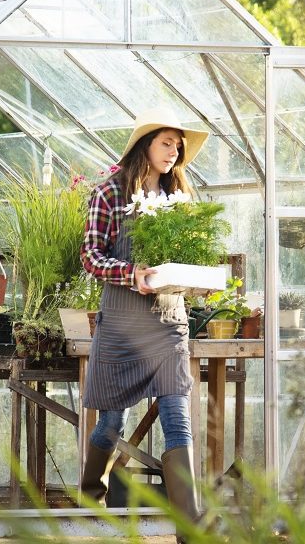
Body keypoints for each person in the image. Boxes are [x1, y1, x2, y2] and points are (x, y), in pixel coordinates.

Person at [78, 108, 208, 534]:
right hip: (122, 325)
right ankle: (91, 495)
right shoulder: (111, 193)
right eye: (166, 142)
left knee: (177, 414)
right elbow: (91, 256)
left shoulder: (181, 199)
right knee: (112, 421)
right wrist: (131, 275)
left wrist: (196, 281)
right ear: (145, 144)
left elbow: (191, 258)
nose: (174, 152)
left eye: (178, 145)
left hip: (168, 323)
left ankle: (188, 529)